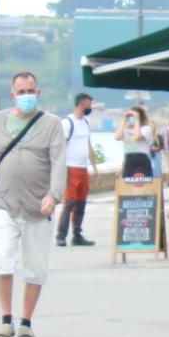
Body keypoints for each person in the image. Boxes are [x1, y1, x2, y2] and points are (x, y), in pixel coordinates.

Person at [0, 71, 64, 337]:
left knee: (35, 267)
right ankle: (5, 318)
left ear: (39, 93)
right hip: (3, 203)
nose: (26, 96)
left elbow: (59, 162)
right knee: (3, 259)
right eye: (21, 91)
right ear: (12, 95)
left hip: (37, 207)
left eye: (30, 91)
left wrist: (53, 195)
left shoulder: (51, 124)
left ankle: (26, 321)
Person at [56, 92, 100, 248]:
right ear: (81, 104)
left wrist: (94, 167)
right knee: (69, 202)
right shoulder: (68, 123)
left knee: (81, 203)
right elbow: (60, 146)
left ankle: (77, 234)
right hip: (70, 168)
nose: (90, 107)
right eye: (89, 105)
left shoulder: (86, 123)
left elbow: (88, 145)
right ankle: (61, 235)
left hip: (82, 168)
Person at [117, 106, 155, 181]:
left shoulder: (146, 129)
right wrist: (125, 120)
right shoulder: (127, 129)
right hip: (129, 159)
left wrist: (137, 119)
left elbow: (138, 137)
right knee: (128, 187)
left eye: (133, 116)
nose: (132, 118)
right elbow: (117, 137)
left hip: (141, 159)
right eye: (130, 116)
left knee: (143, 186)